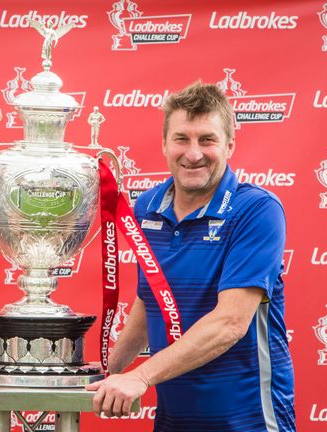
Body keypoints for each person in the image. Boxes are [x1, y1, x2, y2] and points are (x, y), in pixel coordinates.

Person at [86, 82, 295, 432]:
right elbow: (147, 299)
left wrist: (140, 377)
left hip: (249, 421)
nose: (193, 153)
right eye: (182, 138)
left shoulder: (256, 209)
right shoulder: (147, 206)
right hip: (174, 420)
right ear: (165, 144)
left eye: (207, 140)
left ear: (229, 146)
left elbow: (230, 323)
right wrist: (110, 370)